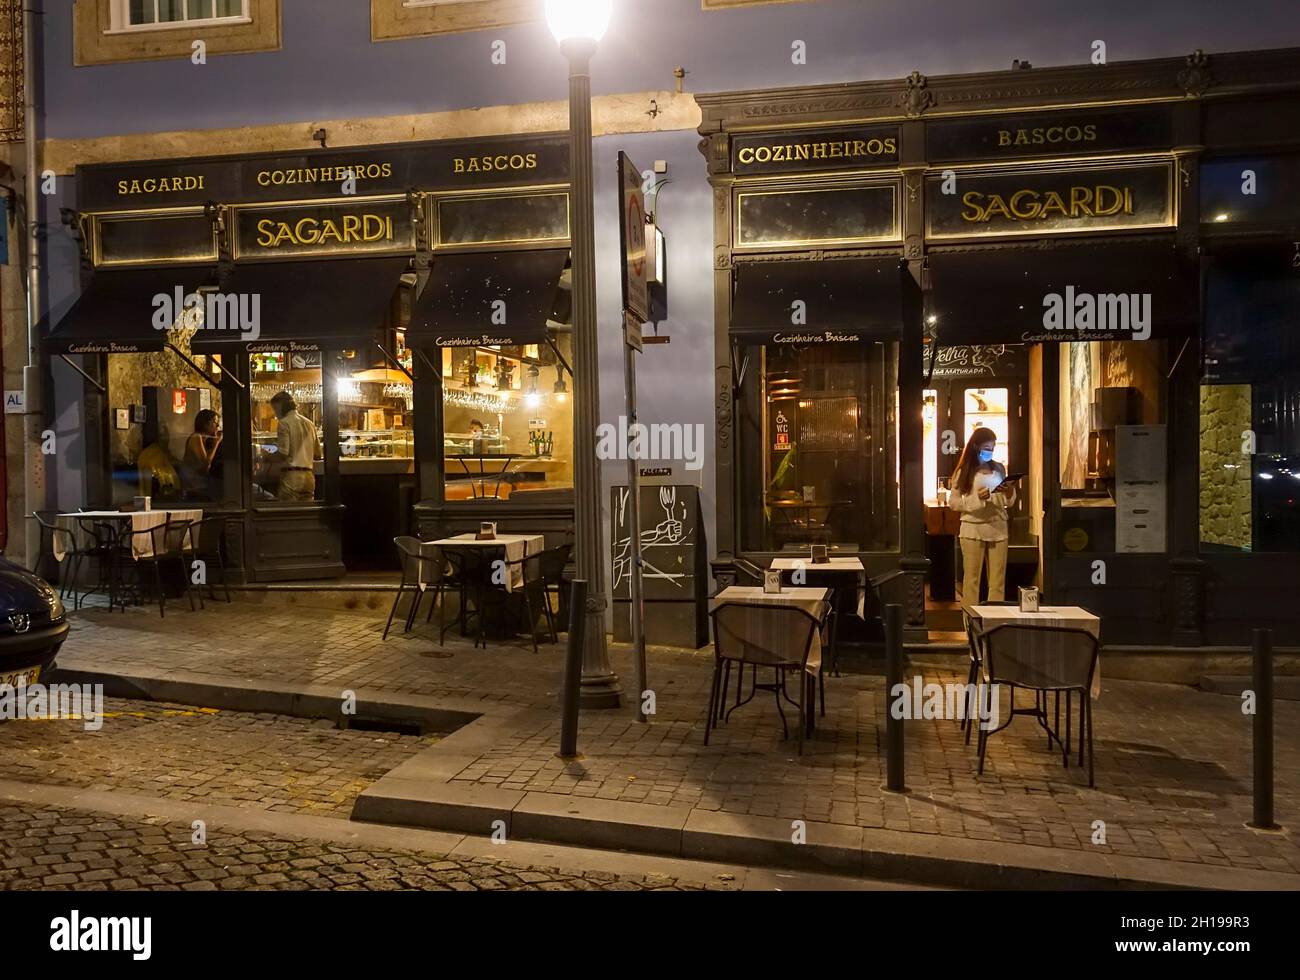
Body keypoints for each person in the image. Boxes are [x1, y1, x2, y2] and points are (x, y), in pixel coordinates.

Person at [948, 427, 1017, 604]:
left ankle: (994, 623)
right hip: (973, 528)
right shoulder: (963, 471)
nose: (990, 452)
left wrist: (1009, 492)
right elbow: (954, 502)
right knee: (971, 580)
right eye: (987, 447)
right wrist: (977, 499)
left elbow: (1009, 501)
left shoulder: (999, 468)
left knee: (997, 581)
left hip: (998, 526)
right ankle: (971, 623)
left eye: (993, 448)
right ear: (976, 446)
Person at [271, 391, 318, 501]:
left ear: (282, 407)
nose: (275, 413)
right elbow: (317, 454)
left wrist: (266, 455)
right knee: (306, 515)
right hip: (308, 478)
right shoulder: (310, 424)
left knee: (289, 515)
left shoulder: (284, 422)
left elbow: (283, 453)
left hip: (291, 479)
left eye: (275, 409)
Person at [180, 409, 222, 499]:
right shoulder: (196, 437)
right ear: (205, 424)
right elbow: (205, 464)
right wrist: (216, 443)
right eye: (215, 422)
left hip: (201, 485)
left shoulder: (204, 439)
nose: (218, 425)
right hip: (194, 487)